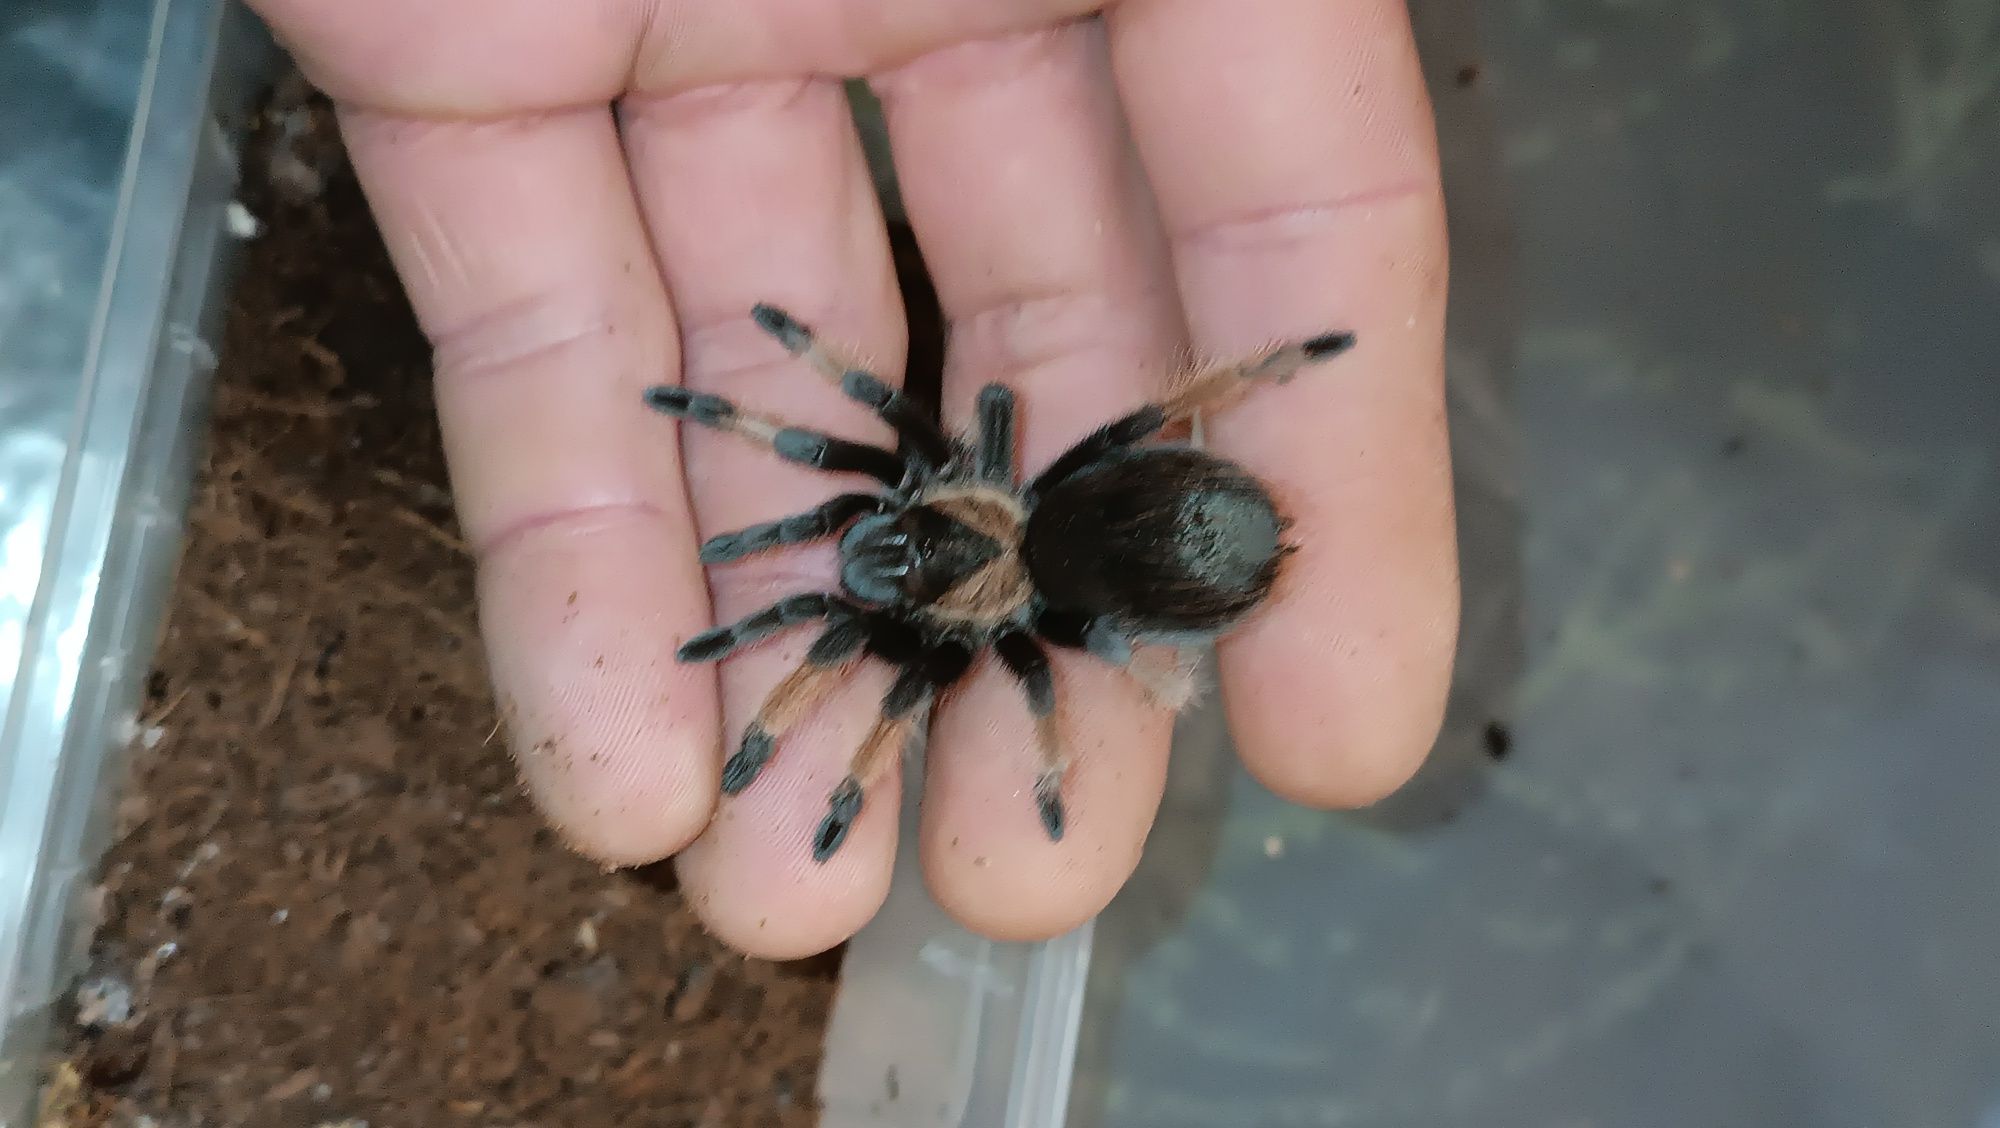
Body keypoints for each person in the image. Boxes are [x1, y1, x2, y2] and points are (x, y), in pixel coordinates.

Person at [244, 0, 1460, 959]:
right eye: (894, 533)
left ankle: (1280, 368)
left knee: (868, 640)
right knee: (963, 521)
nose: (878, 548)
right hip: (1106, 529)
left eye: (890, 531)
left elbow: (881, 625)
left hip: (1124, 539)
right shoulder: (987, 494)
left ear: (938, 494)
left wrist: (1031, 759)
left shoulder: (960, 572)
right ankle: (1280, 370)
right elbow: (877, 487)